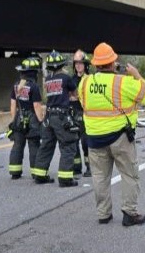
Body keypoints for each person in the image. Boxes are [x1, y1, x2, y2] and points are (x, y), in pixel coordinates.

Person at [78, 42, 145, 226]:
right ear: (113, 63)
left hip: (94, 138)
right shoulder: (123, 82)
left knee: (100, 177)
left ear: (95, 64)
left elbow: (83, 102)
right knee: (129, 174)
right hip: (120, 138)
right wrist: (136, 75)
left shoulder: (85, 82)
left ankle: (103, 214)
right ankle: (129, 213)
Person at [31, 51, 80, 187]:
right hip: (61, 116)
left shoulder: (48, 80)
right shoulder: (65, 78)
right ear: (61, 65)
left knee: (46, 145)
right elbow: (75, 94)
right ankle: (65, 178)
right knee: (68, 145)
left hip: (49, 117)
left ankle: (40, 175)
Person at [8, 55, 45, 180]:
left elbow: (13, 104)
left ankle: (15, 171)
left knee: (18, 145)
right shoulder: (33, 87)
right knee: (34, 145)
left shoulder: (16, 86)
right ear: (34, 73)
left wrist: (13, 121)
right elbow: (37, 106)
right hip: (32, 120)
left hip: (19, 118)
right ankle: (35, 172)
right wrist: (41, 121)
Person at [71, 49, 92, 178]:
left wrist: (77, 96)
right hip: (73, 113)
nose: (78, 65)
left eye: (81, 63)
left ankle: (89, 167)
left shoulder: (90, 79)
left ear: (86, 65)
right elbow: (69, 96)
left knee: (86, 142)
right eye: (76, 63)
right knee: (73, 142)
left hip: (86, 114)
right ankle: (76, 167)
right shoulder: (71, 80)